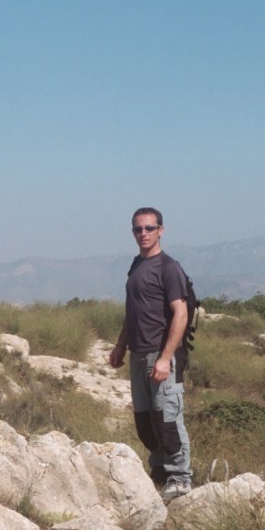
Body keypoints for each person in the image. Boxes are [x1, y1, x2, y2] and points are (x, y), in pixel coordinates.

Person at [108, 208, 193, 502]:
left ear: (161, 230)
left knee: (167, 418)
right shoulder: (137, 266)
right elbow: (133, 311)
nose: (142, 234)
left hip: (161, 354)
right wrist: (121, 345)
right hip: (138, 353)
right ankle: (159, 474)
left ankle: (180, 478)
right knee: (146, 421)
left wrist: (165, 357)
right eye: (137, 229)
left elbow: (180, 314)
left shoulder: (168, 267)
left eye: (148, 228)